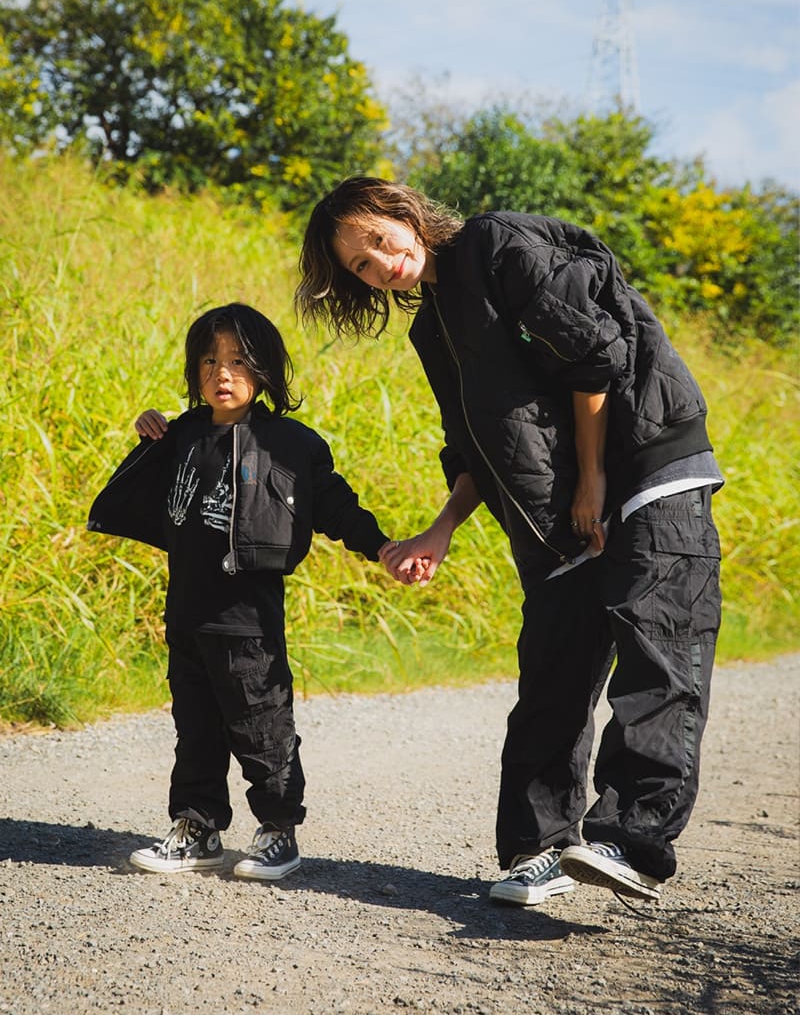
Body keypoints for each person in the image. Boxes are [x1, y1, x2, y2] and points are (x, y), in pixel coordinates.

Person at [296, 177, 724, 907]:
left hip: (643, 463)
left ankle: (632, 837)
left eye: (377, 239)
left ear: (404, 214)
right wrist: (440, 529)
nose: (380, 262)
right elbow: (470, 449)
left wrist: (592, 477)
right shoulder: (431, 327)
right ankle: (543, 849)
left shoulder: (497, 244)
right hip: (562, 515)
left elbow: (595, 356)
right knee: (553, 669)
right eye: (360, 266)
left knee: (658, 647)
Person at [88, 303, 393, 880]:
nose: (221, 374)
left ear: (264, 372)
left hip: (248, 622)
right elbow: (139, 493)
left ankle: (279, 832)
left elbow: (336, 507)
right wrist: (150, 432)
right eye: (208, 361)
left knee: (262, 728)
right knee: (195, 730)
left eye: (235, 361)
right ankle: (197, 829)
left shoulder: (290, 444)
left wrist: (381, 546)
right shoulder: (181, 436)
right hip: (187, 615)